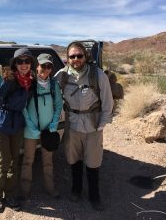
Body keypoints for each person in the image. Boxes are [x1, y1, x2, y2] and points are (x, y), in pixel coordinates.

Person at [54, 41, 113, 211]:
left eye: (79, 55)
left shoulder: (98, 75)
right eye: (72, 56)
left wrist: (102, 123)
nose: (76, 59)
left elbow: (108, 101)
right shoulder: (62, 75)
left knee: (93, 162)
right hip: (72, 125)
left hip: (93, 125)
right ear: (67, 59)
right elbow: (48, 90)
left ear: (85, 56)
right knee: (74, 160)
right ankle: (76, 190)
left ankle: (94, 196)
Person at [0, 48, 35, 213]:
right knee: (4, 160)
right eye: (20, 61)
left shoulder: (30, 81)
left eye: (27, 61)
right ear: (15, 64)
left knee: (15, 160)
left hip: (17, 124)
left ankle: (11, 194)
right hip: (1, 123)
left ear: (31, 64)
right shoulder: (7, 77)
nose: (23, 64)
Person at [20, 53, 63, 200]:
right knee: (28, 160)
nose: (46, 69)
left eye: (49, 66)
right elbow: (23, 107)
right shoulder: (29, 84)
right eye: (43, 65)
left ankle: (50, 188)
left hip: (48, 131)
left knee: (48, 161)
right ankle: (25, 191)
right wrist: (30, 126)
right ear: (36, 66)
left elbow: (58, 105)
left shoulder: (53, 85)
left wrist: (54, 124)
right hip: (31, 130)